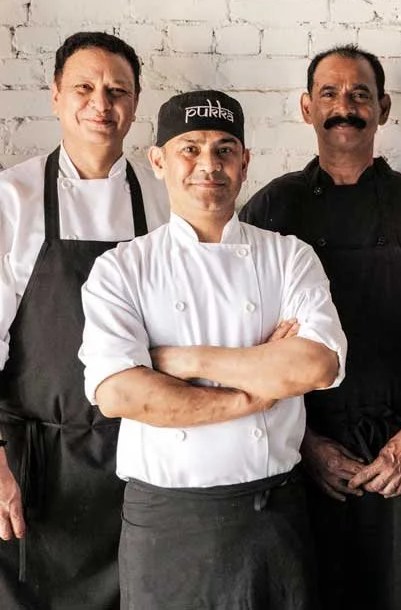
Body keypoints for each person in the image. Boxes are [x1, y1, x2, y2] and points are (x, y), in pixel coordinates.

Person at [78, 89, 347, 609]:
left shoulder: (290, 257)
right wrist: (256, 395)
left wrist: (185, 361)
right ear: (158, 160)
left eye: (225, 149)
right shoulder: (122, 268)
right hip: (168, 524)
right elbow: (122, 395)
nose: (209, 165)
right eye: (190, 149)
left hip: (272, 517)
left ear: (245, 163)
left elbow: (315, 363)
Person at [240, 45, 401, 610]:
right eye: (331, 94)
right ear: (306, 109)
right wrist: (307, 444)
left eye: (361, 95)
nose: (346, 107)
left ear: (383, 108)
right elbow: (245, 350)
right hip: (303, 452)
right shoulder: (270, 208)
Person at [0, 32, 169, 609]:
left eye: (117, 90)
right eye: (85, 87)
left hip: (142, 452)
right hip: (36, 462)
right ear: (54, 96)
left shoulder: (163, 196)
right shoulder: (13, 198)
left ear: (136, 103)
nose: (102, 103)